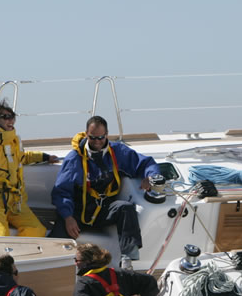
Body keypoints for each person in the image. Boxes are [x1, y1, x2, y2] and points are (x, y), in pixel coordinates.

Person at [50, 115, 160, 269]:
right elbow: (61, 192)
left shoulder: (118, 152)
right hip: (78, 213)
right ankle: (50, 265)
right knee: (57, 235)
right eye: (93, 138)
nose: (97, 141)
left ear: (106, 135)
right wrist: (68, 217)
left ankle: (127, 259)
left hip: (104, 211)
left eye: (101, 137)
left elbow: (146, 163)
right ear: (87, 135)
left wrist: (150, 176)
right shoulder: (74, 159)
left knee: (126, 208)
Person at [0, 100, 59, 237]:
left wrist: (45, 157)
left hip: (15, 202)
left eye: (12, 117)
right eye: (5, 117)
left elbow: (22, 157)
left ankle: (21, 256)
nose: (10, 121)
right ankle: (0, 258)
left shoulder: (14, 142)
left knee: (37, 230)